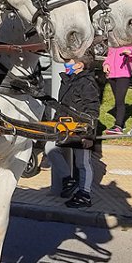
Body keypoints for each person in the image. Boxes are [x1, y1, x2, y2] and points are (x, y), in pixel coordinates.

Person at [55, 54, 101, 208]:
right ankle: (69, 179)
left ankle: (84, 194)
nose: (66, 64)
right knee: (51, 150)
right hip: (65, 127)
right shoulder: (68, 80)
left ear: (80, 65)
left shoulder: (87, 83)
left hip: (81, 130)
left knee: (82, 162)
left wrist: (89, 136)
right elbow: (62, 105)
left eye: (69, 62)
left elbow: (92, 110)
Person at [102, 40, 132, 134]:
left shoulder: (130, 40)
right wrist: (105, 64)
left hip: (124, 74)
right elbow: (109, 56)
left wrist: (131, 52)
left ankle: (118, 126)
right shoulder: (114, 42)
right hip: (111, 75)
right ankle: (121, 124)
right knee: (117, 100)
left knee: (120, 100)